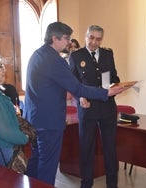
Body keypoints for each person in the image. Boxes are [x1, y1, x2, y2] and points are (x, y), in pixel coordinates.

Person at [23, 22, 127, 186]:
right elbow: (77, 87)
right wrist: (106, 93)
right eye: (66, 38)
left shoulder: (38, 54)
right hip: (49, 122)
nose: (69, 42)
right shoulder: (56, 60)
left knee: (36, 162)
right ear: (54, 38)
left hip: (35, 118)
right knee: (47, 166)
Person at [69, 25, 120, 188]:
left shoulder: (107, 54)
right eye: (91, 37)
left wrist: (118, 85)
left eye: (98, 39)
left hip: (107, 108)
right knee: (86, 149)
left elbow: (114, 76)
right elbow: (72, 82)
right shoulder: (76, 56)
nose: (94, 42)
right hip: (87, 108)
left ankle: (112, 184)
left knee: (110, 149)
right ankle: (86, 184)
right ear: (85, 36)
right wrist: (80, 96)